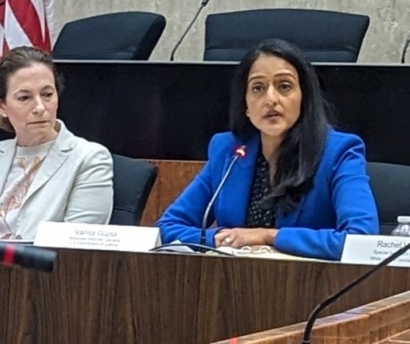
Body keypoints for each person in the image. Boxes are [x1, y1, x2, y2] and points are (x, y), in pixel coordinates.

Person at [157, 39, 378, 260]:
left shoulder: (339, 152)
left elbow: (362, 239)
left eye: (284, 86)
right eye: (258, 88)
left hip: (311, 285)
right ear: (246, 105)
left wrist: (269, 237)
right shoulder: (228, 151)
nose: (270, 99)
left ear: (304, 97)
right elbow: (168, 227)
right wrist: (223, 238)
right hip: (232, 282)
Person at [0, 46, 113, 241]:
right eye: (25, 97)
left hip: (41, 270)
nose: (40, 107)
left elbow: (74, 251)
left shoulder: (89, 159)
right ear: (1, 105)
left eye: (47, 94)